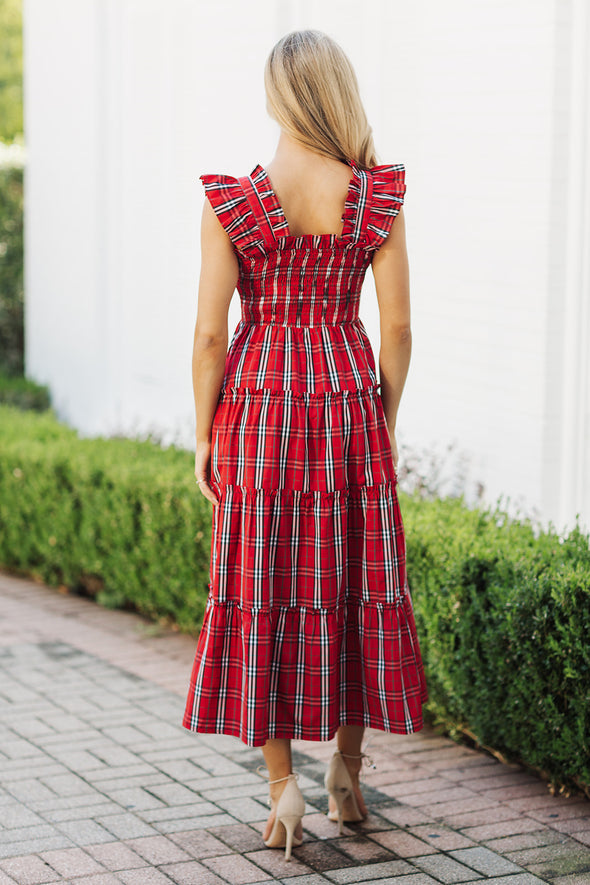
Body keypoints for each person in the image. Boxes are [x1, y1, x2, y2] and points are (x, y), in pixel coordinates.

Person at [182, 28, 428, 861]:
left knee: (264, 580)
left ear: (276, 99)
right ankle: (348, 773)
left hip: (258, 407)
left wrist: (203, 431)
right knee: (356, 575)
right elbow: (396, 326)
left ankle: (281, 783)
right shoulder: (375, 198)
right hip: (347, 398)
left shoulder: (235, 202)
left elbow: (210, 337)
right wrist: (382, 421)